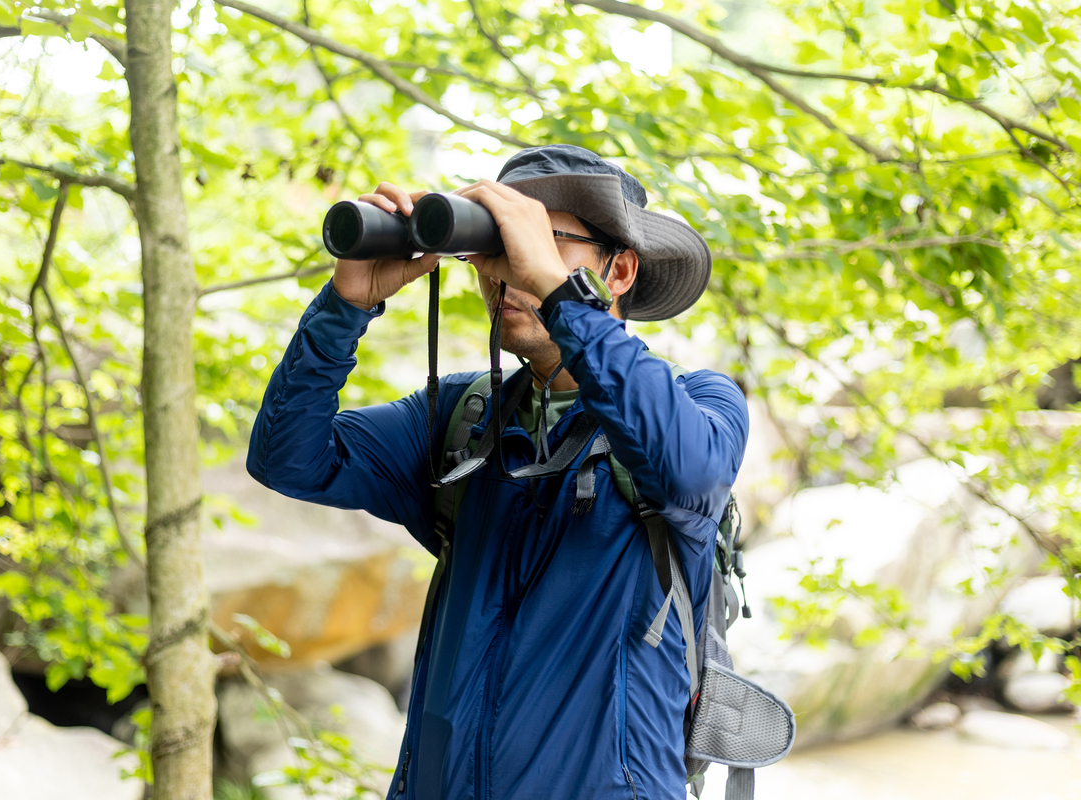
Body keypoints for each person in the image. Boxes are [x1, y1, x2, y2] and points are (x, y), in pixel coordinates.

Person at [247, 145, 749, 800]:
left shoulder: (701, 406)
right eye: (498, 246)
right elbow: (288, 458)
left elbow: (689, 470)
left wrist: (561, 296)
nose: (509, 272)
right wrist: (345, 306)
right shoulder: (464, 418)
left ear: (619, 269)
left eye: (539, 242)